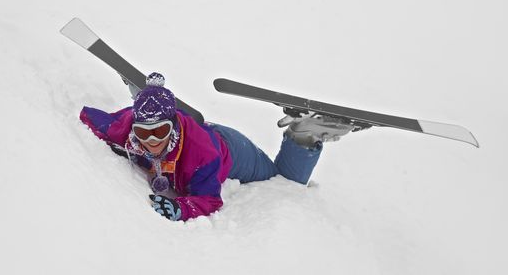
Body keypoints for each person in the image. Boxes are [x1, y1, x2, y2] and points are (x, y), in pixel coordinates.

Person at [80, 72, 354, 221]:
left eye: (161, 131)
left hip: (231, 151)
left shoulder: (201, 157)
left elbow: (209, 199)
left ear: (173, 125)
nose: (152, 141)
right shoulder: (127, 126)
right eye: (143, 133)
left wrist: (182, 209)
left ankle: (304, 135)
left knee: (283, 180)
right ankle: (148, 96)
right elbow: (95, 120)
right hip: (202, 131)